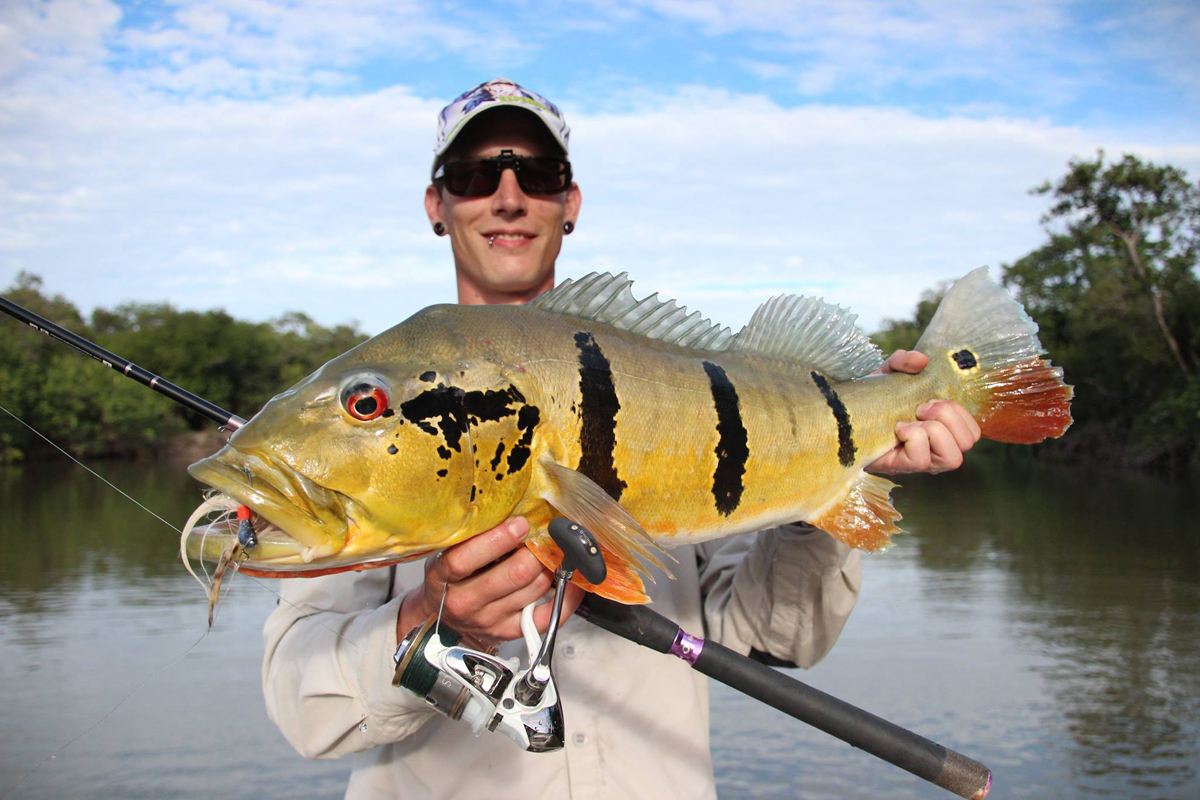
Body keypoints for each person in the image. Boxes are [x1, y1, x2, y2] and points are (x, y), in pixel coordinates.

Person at [262, 79, 982, 799]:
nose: (507, 197)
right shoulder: (362, 458)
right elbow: (303, 713)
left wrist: (831, 481)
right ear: (437, 205)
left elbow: (778, 635)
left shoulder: (666, 388)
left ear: (568, 205)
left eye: (537, 176)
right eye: (474, 175)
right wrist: (424, 623)